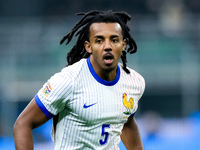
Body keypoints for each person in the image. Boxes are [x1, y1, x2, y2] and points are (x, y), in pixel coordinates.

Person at [14, 10, 145, 150]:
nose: (107, 46)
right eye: (99, 41)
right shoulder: (68, 80)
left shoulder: (134, 82)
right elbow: (23, 123)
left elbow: (127, 123)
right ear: (88, 46)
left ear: (123, 45)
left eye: (114, 40)